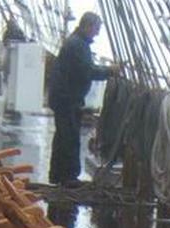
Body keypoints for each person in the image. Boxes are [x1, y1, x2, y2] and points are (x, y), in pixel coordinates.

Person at [47, 12, 117, 187]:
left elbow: (85, 69)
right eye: (97, 29)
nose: (98, 33)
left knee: (62, 136)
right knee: (70, 137)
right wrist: (110, 71)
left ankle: (57, 175)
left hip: (63, 97)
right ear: (88, 26)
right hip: (67, 99)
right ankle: (69, 177)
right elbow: (87, 71)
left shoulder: (76, 43)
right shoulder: (78, 45)